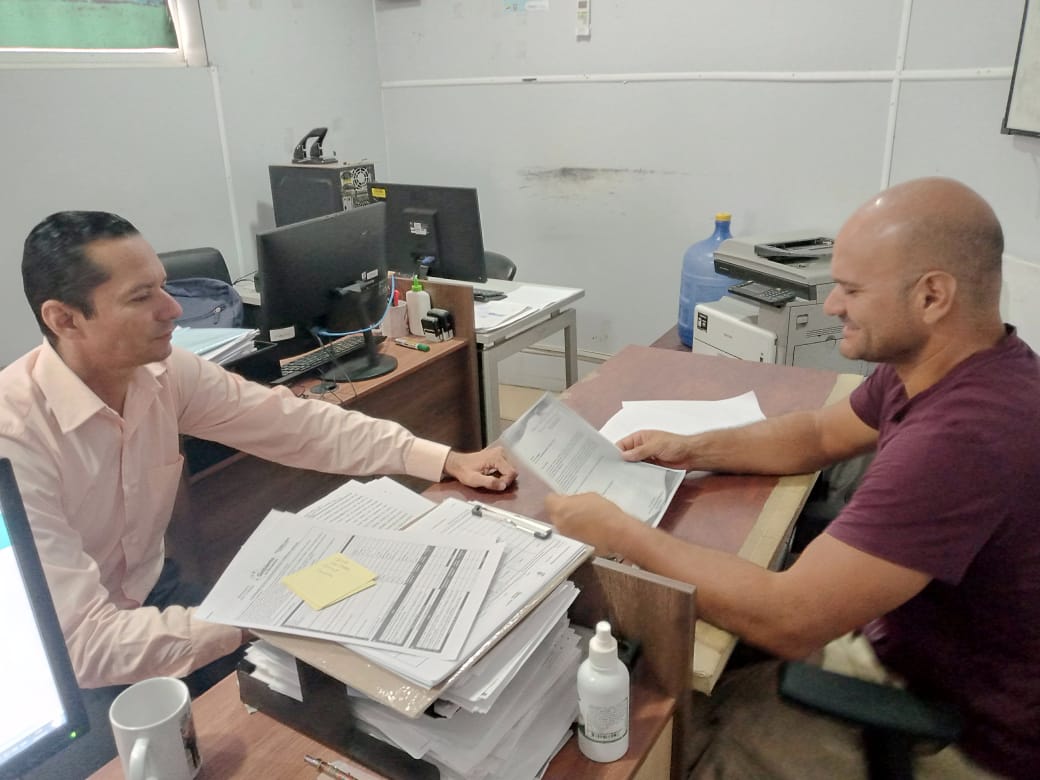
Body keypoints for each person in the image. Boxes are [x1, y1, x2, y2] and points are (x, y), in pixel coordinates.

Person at [546, 177, 1039, 779]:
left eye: (852, 290)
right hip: (910, 646)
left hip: (961, 732)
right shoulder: (950, 367)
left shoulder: (963, 438)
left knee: (661, 743)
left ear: (932, 296)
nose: (832, 306)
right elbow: (819, 436)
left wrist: (620, 532)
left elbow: (790, 618)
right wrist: (691, 447)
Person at [0, 210, 517, 776]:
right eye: (141, 297)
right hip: (66, 661)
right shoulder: (15, 437)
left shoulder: (163, 373)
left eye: (164, 287)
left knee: (292, 713)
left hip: (154, 590)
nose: (173, 310)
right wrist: (262, 617)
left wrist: (443, 459)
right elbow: (85, 645)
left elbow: (295, 425)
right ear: (65, 319)